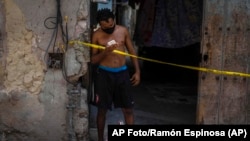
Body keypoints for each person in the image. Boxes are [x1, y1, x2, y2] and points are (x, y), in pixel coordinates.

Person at [91, 8, 141, 141]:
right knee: (102, 110)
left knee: (128, 109)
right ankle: (101, 139)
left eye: (111, 25)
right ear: (100, 24)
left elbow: (132, 52)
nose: (110, 29)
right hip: (104, 75)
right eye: (106, 27)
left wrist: (137, 71)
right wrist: (106, 52)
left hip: (122, 74)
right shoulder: (96, 35)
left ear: (114, 20)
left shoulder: (123, 31)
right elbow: (93, 60)